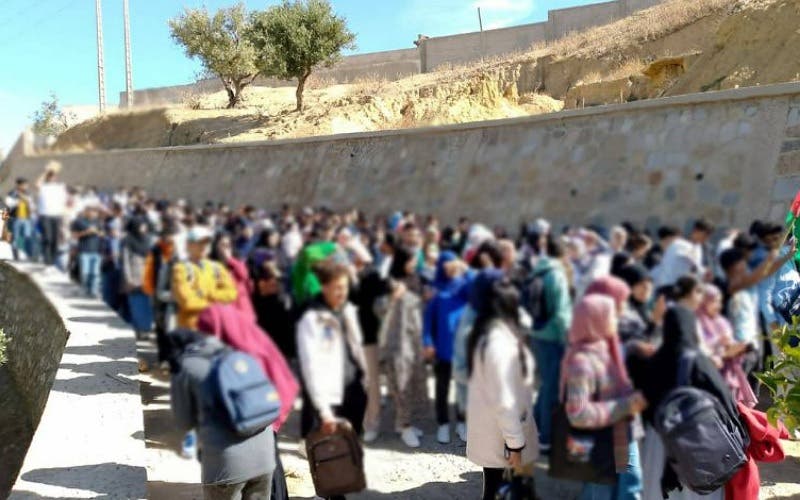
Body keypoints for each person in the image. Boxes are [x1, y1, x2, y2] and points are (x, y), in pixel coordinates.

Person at [635, 305, 748, 500]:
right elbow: (725, 402)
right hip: (700, 441)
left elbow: (645, 407)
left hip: (661, 444)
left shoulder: (654, 363)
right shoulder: (698, 361)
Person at [561, 294, 646, 500]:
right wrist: (625, 406)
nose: (616, 320)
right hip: (596, 445)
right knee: (599, 494)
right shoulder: (582, 362)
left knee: (630, 489)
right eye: (611, 316)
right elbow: (578, 413)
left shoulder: (610, 350)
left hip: (621, 436)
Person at [171, 335, 276, 500]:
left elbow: (183, 421)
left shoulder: (187, 366)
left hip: (226, 465)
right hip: (264, 459)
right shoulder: (245, 353)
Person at [466, 271, 539, 500]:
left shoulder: (487, 333)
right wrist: (515, 445)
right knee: (500, 491)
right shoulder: (499, 343)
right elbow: (504, 402)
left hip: (496, 432)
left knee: (496, 488)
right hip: (504, 436)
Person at [296, 261, 368, 452]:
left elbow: (356, 347)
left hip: (354, 389)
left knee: (352, 447)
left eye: (344, 287)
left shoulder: (347, 310)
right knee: (332, 455)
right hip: (331, 395)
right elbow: (309, 366)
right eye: (337, 288)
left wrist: (366, 377)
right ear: (324, 287)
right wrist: (324, 410)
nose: (342, 293)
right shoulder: (312, 319)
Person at [375, 247, 428, 448]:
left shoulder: (415, 281)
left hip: (414, 341)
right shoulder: (390, 283)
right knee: (400, 386)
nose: (414, 264)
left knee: (412, 384)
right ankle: (405, 427)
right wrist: (393, 298)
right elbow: (378, 308)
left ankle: (404, 423)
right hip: (396, 343)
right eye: (411, 261)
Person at [530, 237, 573, 453]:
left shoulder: (539, 269)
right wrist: (569, 340)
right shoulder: (557, 275)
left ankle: (534, 427)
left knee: (546, 385)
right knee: (552, 389)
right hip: (552, 338)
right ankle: (546, 438)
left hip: (537, 333)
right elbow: (561, 314)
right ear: (564, 253)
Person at [423, 251, 470, 444]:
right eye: (446, 265)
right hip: (442, 348)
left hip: (463, 347)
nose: (449, 268)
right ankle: (443, 423)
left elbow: (479, 285)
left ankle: (462, 422)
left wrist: (464, 269)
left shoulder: (466, 286)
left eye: (453, 264)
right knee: (441, 388)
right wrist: (427, 342)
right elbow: (427, 320)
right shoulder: (435, 290)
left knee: (463, 388)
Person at [696, 284, 757, 407]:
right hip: (711, 379)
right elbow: (700, 349)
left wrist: (738, 348)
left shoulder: (722, 322)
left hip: (730, 377)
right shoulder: (696, 323)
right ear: (703, 302)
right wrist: (720, 346)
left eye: (719, 302)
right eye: (713, 301)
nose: (718, 306)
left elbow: (730, 344)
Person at [172, 226, 238, 330]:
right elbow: (187, 302)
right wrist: (216, 304)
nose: (204, 246)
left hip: (215, 326)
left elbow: (232, 294)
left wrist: (208, 294)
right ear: (188, 245)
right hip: (192, 328)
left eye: (207, 243)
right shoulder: (181, 269)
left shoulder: (217, 267)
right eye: (200, 242)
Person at [142, 217, 179, 365]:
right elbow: (149, 270)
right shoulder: (156, 250)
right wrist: (150, 290)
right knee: (160, 324)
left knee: (173, 325)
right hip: (158, 292)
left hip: (174, 293)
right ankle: (163, 356)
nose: (168, 238)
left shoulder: (178, 251)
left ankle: (172, 356)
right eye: (166, 235)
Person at [252, 261, 296, 362]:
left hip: (286, 352)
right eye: (273, 279)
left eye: (278, 279)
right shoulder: (255, 302)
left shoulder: (281, 300)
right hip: (270, 351)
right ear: (262, 283)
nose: (277, 282)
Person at [210, 232, 256, 323]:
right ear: (216, 246)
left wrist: (230, 260)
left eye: (228, 245)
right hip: (225, 305)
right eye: (223, 245)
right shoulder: (212, 263)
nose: (226, 248)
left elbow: (244, 275)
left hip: (242, 304)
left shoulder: (237, 259)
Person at [121, 216, 153, 339]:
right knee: (136, 305)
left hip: (147, 278)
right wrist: (128, 279)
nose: (144, 228)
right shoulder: (128, 241)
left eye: (144, 225)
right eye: (141, 225)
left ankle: (146, 330)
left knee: (147, 306)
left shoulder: (149, 240)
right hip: (134, 278)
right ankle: (138, 329)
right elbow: (125, 261)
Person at [36, 162, 67, 268]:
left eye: (53, 176)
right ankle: (47, 262)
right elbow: (37, 183)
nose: (51, 178)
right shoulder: (43, 187)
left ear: (55, 177)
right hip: (45, 215)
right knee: (47, 238)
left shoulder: (60, 187)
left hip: (57, 216)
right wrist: (46, 171)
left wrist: (64, 219)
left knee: (55, 240)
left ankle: (52, 262)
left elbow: (64, 203)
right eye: (50, 176)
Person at [70, 205, 104, 298]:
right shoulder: (78, 222)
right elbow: (74, 235)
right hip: (84, 250)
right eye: (91, 211)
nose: (93, 213)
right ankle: (84, 290)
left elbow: (103, 234)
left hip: (96, 251)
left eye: (94, 211)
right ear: (86, 212)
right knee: (85, 273)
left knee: (95, 274)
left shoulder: (99, 222)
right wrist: (86, 232)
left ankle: (93, 292)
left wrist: (96, 232)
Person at [5, 177, 36, 261]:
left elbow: (32, 205)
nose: (26, 186)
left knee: (27, 237)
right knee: (15, 238)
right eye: (24, 185)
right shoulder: (12, 193)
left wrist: (26, 200)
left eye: (26, 185)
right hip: (15, 219)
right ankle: (16, 256)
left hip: (27, 219)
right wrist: (18, 200)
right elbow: (8, 205)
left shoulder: (28, 194)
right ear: (19, 185)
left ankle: (29, 256)